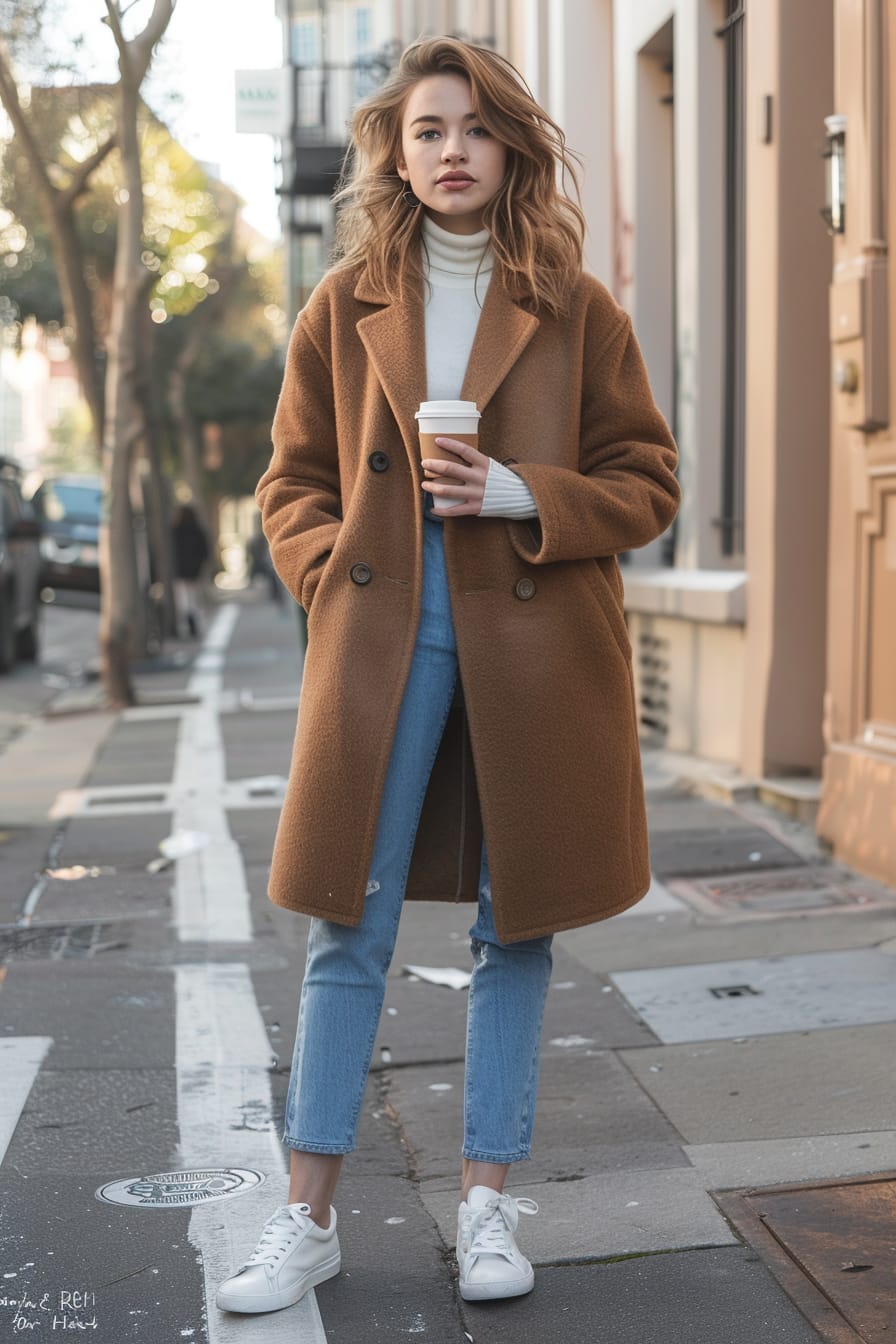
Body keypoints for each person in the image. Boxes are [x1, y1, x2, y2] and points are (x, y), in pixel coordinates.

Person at [216, 36, 679, 1317]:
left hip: (530, 636)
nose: (451, 150)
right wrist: (330, 575)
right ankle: (303, 1217)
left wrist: (519, 491)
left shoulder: (576, 307)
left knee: (513, 917)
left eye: (473, 129)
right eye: (427, 131)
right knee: (345, 921)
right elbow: (290, 483)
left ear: (510, 147)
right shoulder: (343, 303)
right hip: (387, 627)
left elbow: (647, 480)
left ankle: (485, 1205)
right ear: (397, 152)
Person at [171, 502, 210, 638]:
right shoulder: (197, 530)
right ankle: (194, 624)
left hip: (180, 571)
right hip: (194, 571)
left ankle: (189, 623)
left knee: (183, 599)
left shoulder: (175, 531)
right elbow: (205, 551)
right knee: (193, 598)